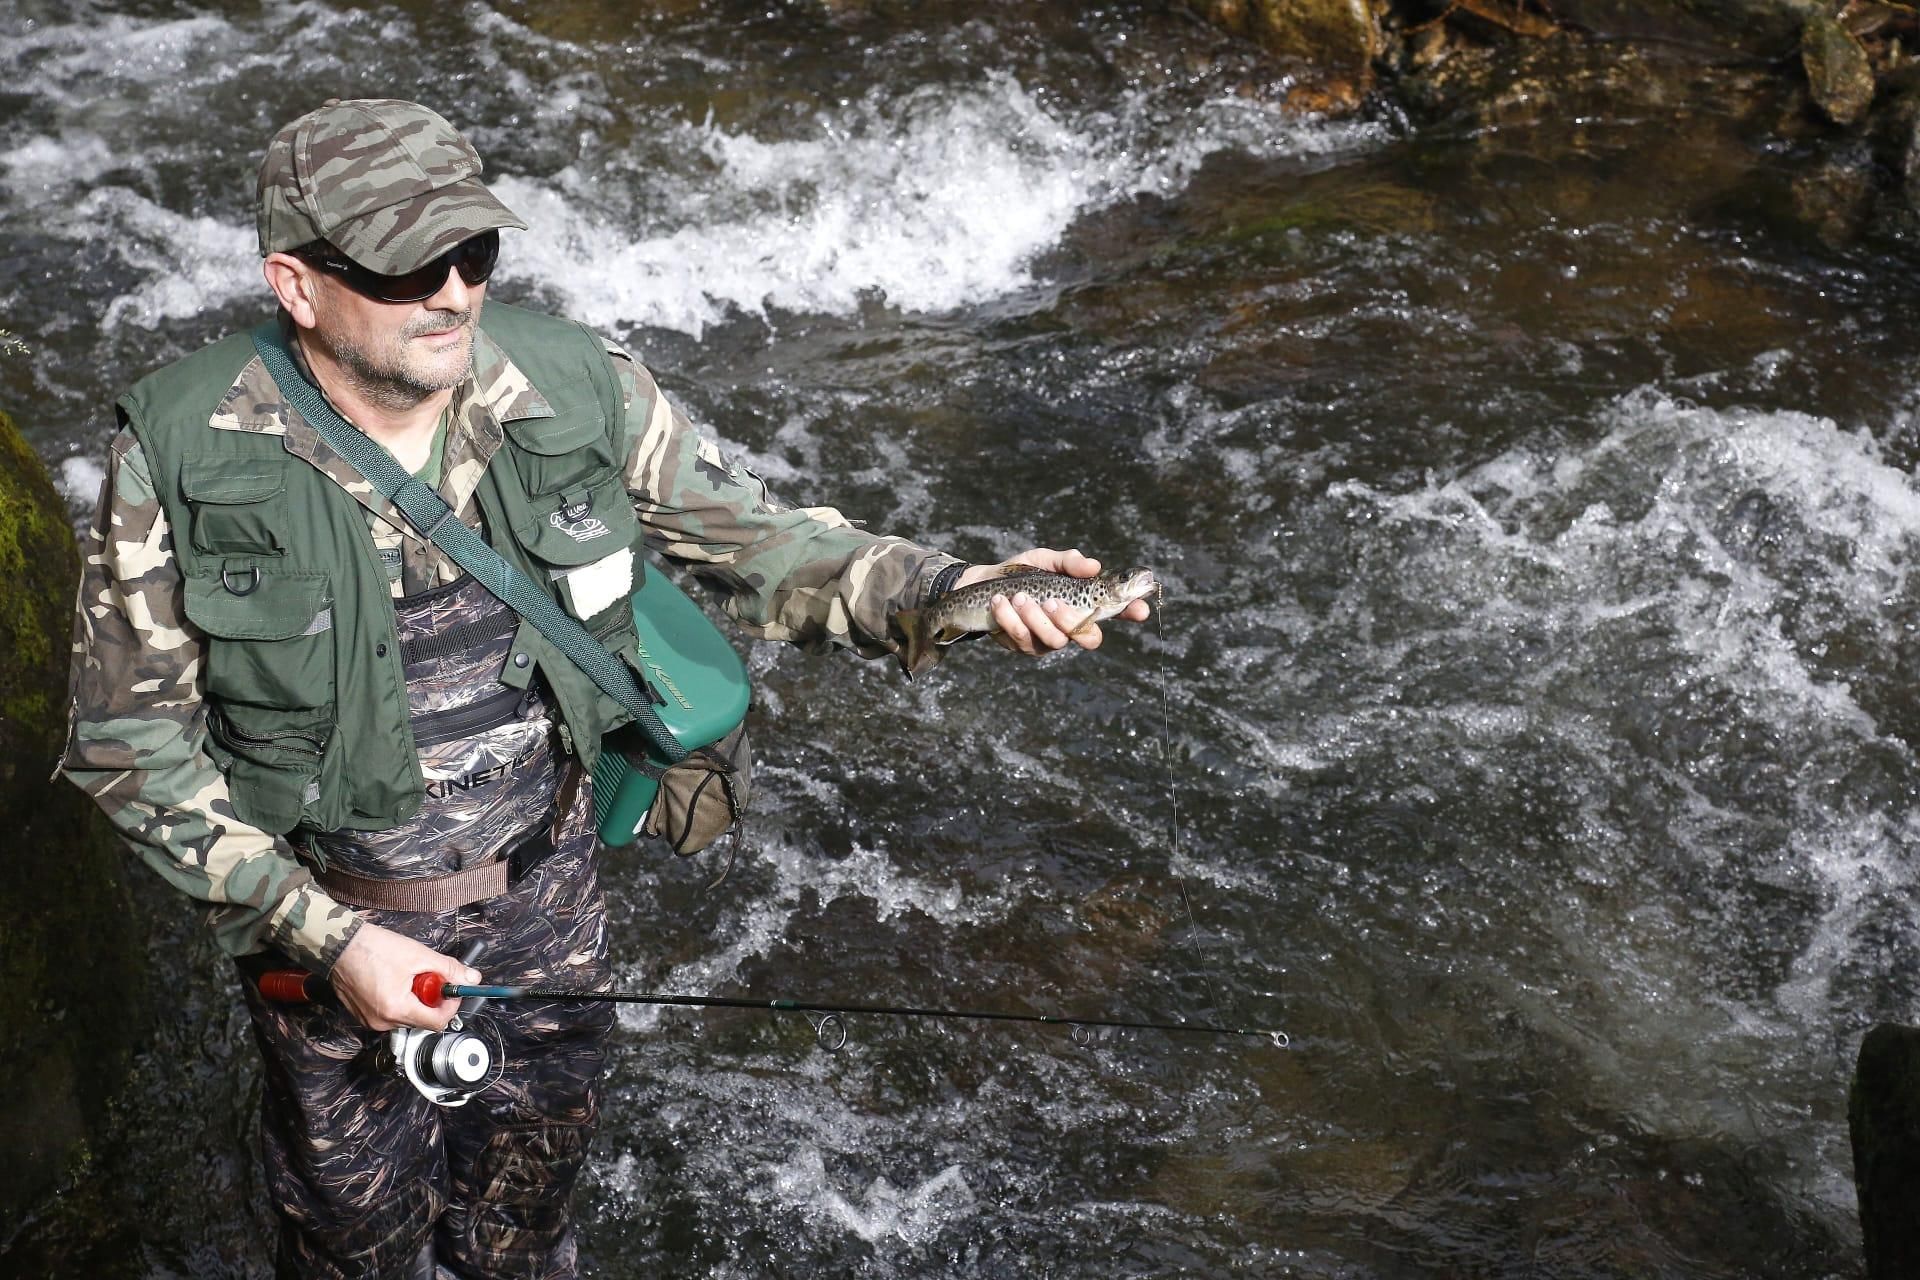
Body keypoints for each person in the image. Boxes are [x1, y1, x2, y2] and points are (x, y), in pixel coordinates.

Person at [60, 98, 1148, 1280]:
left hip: (549, 890)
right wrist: (329, 938)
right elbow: (131, 747)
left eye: (474, 252)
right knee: (352, 1238)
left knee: (528, 1212)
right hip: (333, 921)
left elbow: (770, 547)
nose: (454, 293)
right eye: (406, 265)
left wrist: (958, 588)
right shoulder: (177, 453)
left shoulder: (576, 384)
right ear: (297, 283)